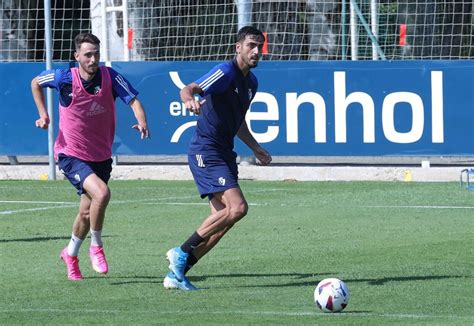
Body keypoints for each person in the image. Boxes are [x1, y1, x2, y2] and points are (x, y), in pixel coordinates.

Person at [31, 33, 150, 281]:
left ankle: (70, 254)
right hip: (71, 154)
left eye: (96, 53)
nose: (93, 59)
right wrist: (43, 114)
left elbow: (134, 101)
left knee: (87, 212)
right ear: (77, 57)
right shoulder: (64, 77)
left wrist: (142, 121)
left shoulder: (110, 76)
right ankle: (97, 246)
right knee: (102, 194)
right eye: (87, 54)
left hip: (101, 155)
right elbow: (35, 82)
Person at [164, 26, 272, 291]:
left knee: (223, 224)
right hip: (206, 151)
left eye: (259, 46)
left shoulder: (251, 83)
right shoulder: (225, 72)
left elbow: (237, 122)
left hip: (224, 153)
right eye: (251, 45)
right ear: (238, 47)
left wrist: (256, 148)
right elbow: (189, 89)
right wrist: (189, 99)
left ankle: (177, 274)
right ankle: (181, 251)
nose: (256, 51)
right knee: (238, 208)